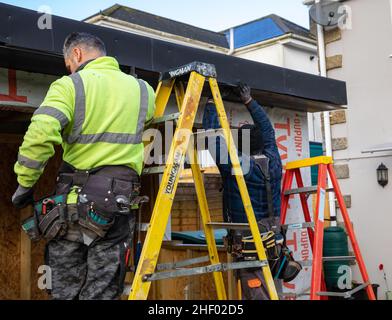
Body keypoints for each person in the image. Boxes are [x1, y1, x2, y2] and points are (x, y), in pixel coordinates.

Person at [11, 32, 155, 300]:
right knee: (102, 291)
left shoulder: (69, 86)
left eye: (68, 63)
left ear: (76, 54)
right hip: (117, 205)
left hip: (73, 206)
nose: (69, 69)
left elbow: (40, 135)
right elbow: (147, 117)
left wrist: (25, 184)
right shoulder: (143, 90)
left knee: (65, 290)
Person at [202, 83, 300, 300]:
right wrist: (249, 101)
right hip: (273, 239)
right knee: (269, 291)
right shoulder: (273, 161)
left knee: (256, 294)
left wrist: (210, 103)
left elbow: (210, 138)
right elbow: (267, 130)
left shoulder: (239, 165)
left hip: (249, 245)